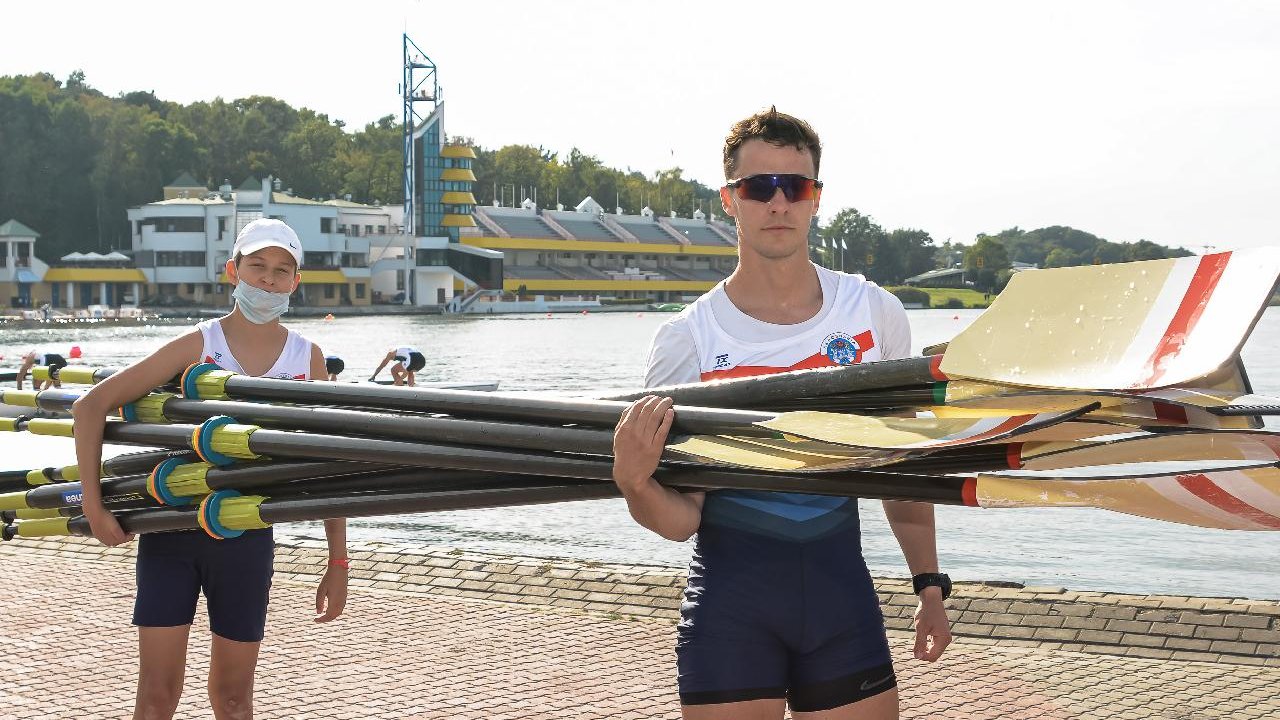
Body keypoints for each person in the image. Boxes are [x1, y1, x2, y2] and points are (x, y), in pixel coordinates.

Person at [612, 108, 952, 720]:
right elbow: (681, 519)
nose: (778, 202)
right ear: (729, 200)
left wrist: (929, 583)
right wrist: (634, 483)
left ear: (816, 198)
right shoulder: (686, 340)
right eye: (758, 187)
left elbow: (904, 473)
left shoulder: (873, 313)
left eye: (794, 186)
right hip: (731, 614)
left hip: (842, 602)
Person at [71, 219, 349, 720]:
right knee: (157, 696)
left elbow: (324, 468)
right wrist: (94, 507)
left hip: (247, 539)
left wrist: (337, 561)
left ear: (295, 283)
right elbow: (91, 406)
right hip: (171, 531)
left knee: (234, 699)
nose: (268, 279)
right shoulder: (198, 346)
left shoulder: (308, 358)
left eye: (281, 271)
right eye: (257, 266)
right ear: (232, 270)